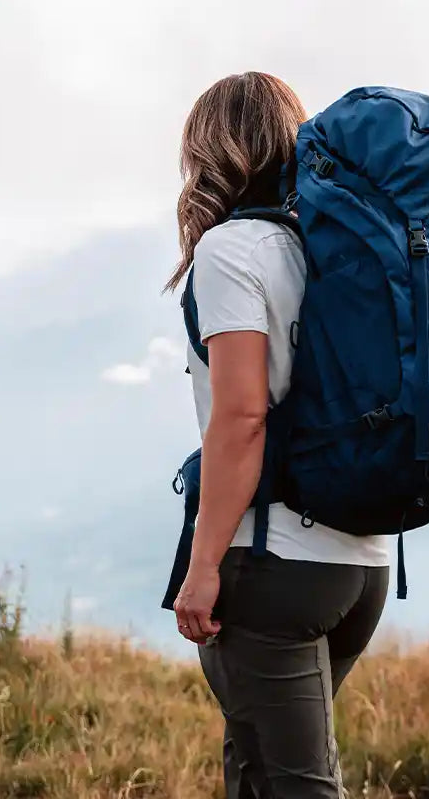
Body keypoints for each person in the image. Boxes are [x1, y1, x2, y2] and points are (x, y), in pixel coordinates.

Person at [167, 72, 393, 798]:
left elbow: (242, 415)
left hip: (274, 566)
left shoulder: (234, 250)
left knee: (294, 785)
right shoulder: (328, 245)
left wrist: (202, 569)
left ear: (209, 151)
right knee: (258, 772)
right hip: (360, 563)